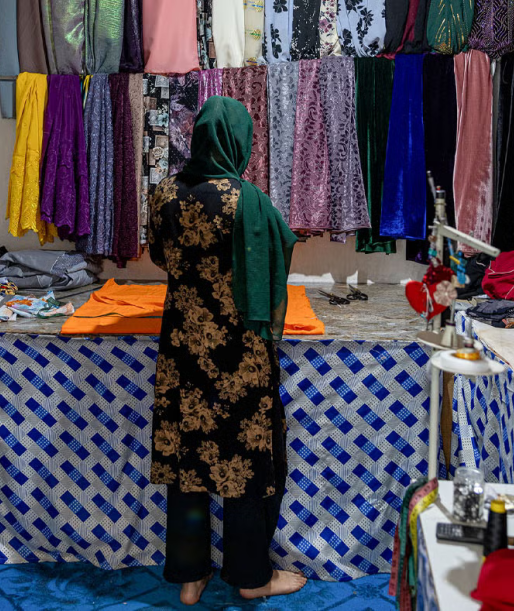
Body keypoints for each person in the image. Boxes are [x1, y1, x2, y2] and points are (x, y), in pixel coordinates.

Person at [147, 96, 305, 605]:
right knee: (242, 464)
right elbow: (280, 252)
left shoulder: (163, 192)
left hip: (182, 350)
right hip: (238, 354)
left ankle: (190, 576)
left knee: (188, 460)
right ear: (239, 141)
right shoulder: (248, 201)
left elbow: (159, 255)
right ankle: (250, 576)